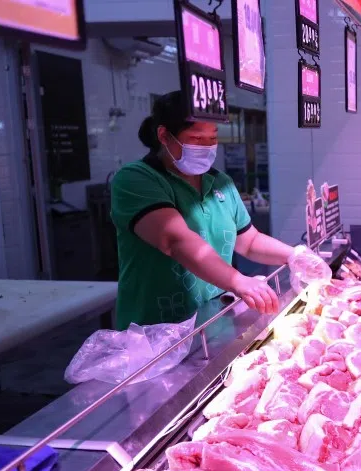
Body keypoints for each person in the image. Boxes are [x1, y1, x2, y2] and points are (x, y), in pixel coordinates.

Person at [110, 91, 324, 329]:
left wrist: (294, 255)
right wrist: (238, 280)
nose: (207, 147)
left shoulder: (220, 182)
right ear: (164, 135)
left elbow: (249, 241)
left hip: (212, 324)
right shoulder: (136, 179)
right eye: (196, 138)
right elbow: (174, 240)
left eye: (212, 138)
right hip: (153, 333)